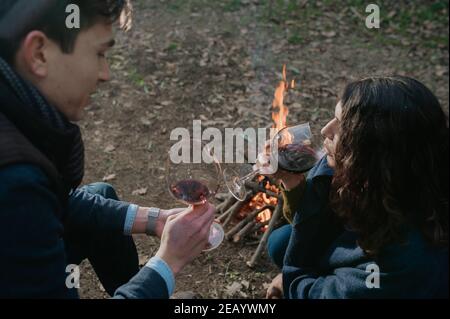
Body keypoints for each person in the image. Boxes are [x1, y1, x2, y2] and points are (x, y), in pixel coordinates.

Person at [0, 0, 215, 299]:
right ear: (38, 53)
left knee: (100, 195)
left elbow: (61, 203)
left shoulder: (13, 108)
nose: (106, 73)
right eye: (100, 54)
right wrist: (168, 262)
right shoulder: (15, 182)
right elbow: (29, 198)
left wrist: (155, 219)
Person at [261, 76, 449, 299]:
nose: (325, 131)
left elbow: (324, 295)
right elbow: (318, 217)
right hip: (366, 246)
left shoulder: (402, 257)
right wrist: (292, 181)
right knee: (280, 242)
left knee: (285, 246)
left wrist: (293, 282)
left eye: (342, 126)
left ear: (373, 148)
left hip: (389, 278)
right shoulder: (388, 173)